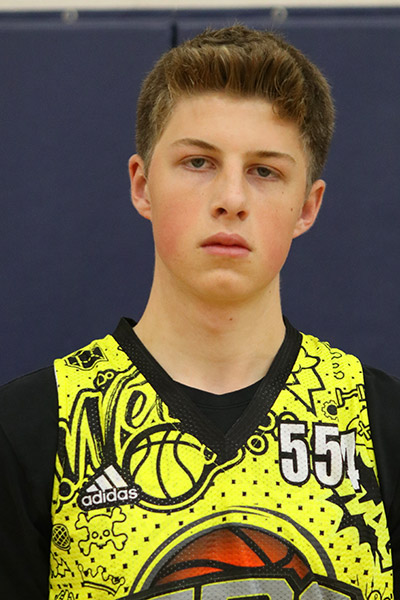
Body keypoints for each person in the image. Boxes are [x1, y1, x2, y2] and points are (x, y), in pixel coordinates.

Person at [0, 24, 399, 600]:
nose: (231, 199)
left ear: (307, 207)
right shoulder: (30, 430)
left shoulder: (382, 425)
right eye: (198, 162)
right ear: (142, 185)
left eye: (265, 171)